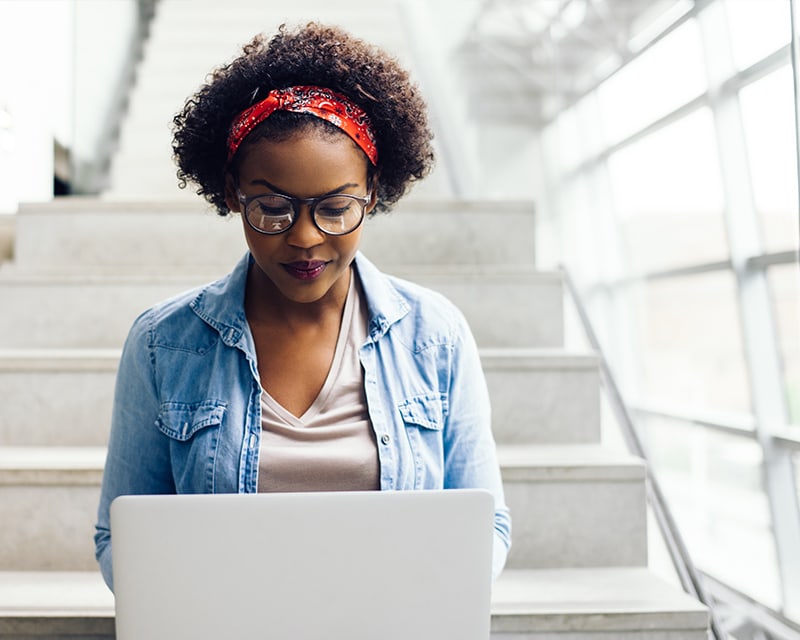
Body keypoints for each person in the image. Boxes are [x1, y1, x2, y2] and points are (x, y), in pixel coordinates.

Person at [94, 21, 511, 591]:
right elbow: (121, 537)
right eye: (272, 207)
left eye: (336, 208)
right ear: (233, 192)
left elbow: (486, 524)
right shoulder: (162, 343)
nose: (306, 238)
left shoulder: (434, 335)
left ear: (372, 192)